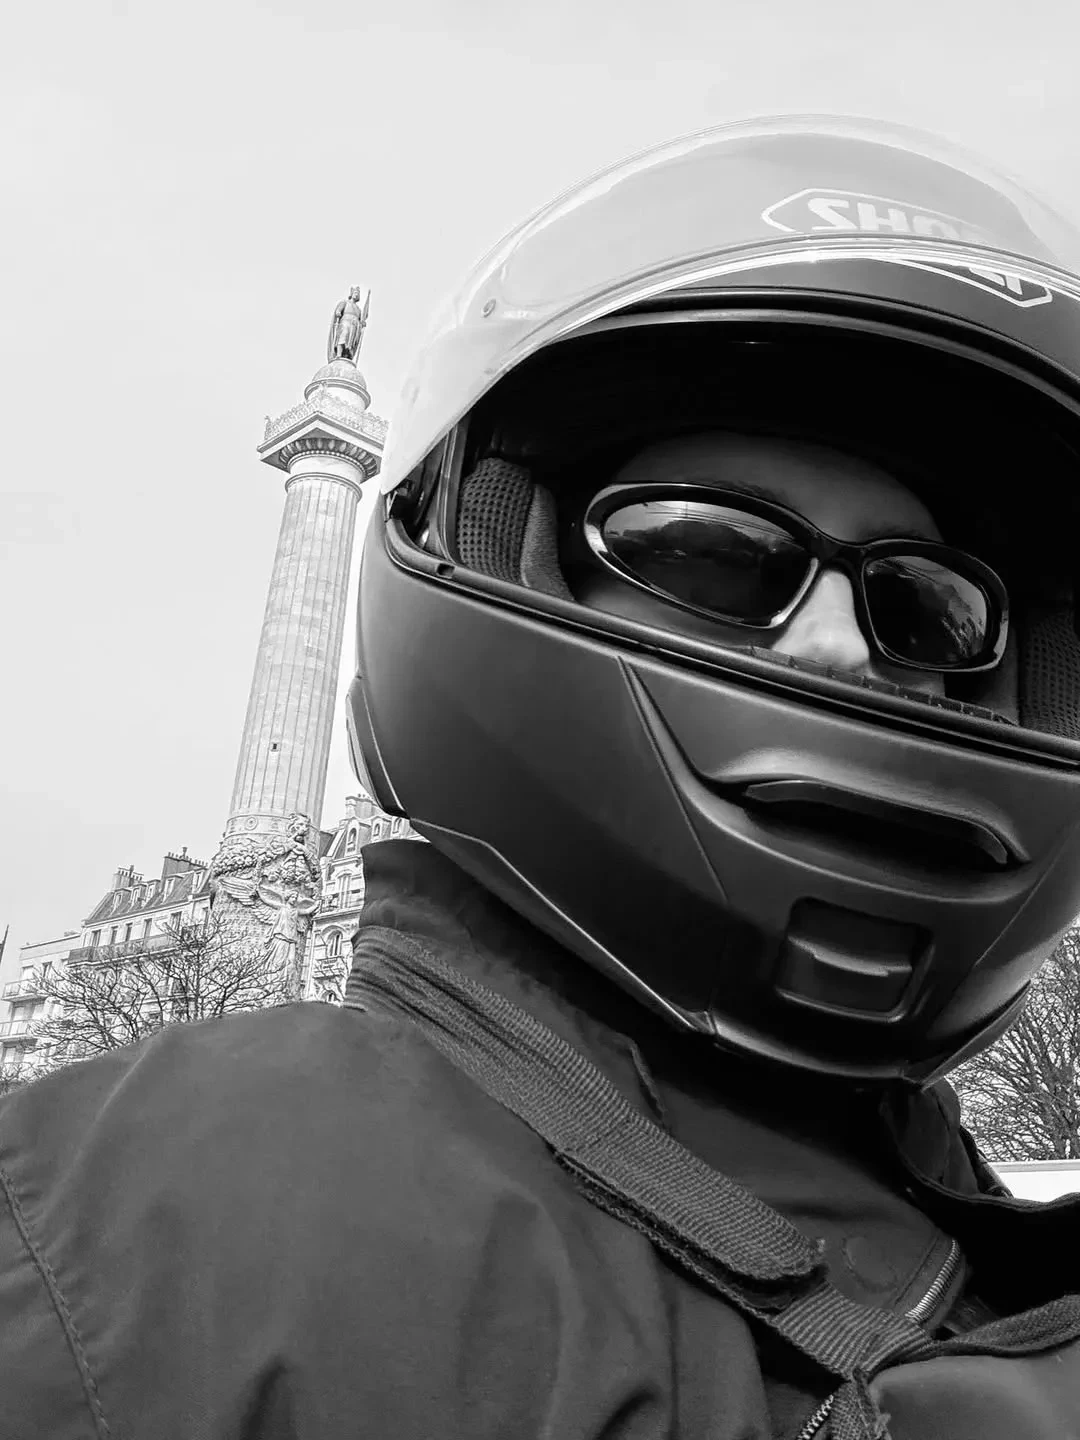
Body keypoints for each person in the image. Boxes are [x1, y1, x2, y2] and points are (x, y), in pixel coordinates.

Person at [6, 117, 1080, 1440]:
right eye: (710, 552)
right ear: (506, 555)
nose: (840, 645)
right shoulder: (109, 1236)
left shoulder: (1004, 1270)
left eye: (929, 606)